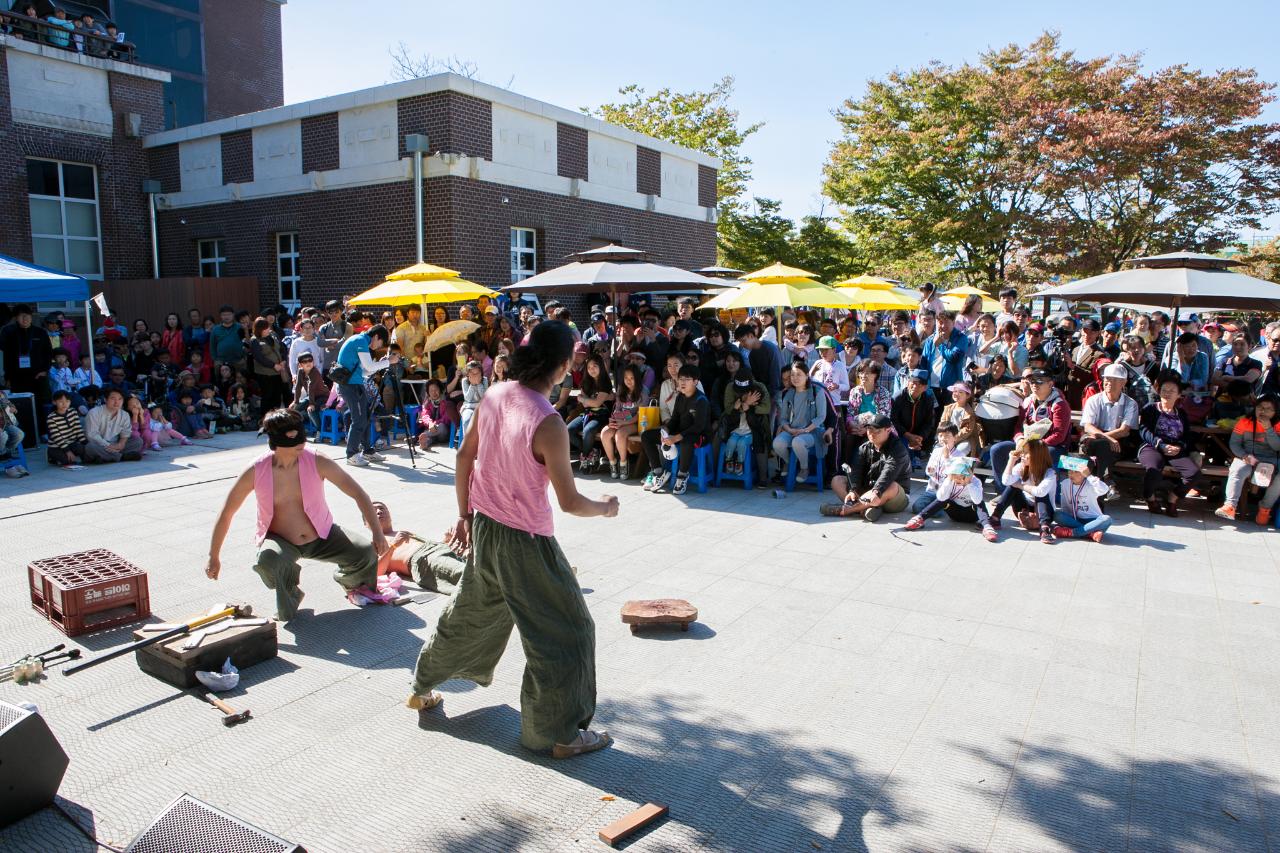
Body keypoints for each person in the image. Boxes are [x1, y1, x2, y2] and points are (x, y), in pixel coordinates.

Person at [408, 321, 618, 759]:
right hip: (527, 542)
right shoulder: (549, 421)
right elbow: (570, 502)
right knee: (566, 631)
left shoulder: (494, 393)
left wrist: (464, 515)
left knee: (471, 611)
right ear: (563, 366)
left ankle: (422, 686)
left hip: (484, 527)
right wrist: (604, 505)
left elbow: (464, 457)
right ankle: (555, 734)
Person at [205, 409, 385, 621]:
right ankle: (290, 592)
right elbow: (227, 512)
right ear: (276, 441)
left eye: (301, 433)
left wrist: (377, 532)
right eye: (292, 437)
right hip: (281, 541)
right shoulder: (256, 470)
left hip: (322, 535)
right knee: (269, 560)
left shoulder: (317, 460)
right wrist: (213, 555)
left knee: (364, 552)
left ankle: (354, 585)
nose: (301, 441)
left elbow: (358, 493)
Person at [825, 413, 911, 520]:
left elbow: (888, 473)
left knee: (892, 486)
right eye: (869, 429)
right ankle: (866, 508)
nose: (872, 434)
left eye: (877, 430)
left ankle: (847, 510)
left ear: (888, 430)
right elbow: (856, 470)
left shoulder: (898, 449)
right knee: (837, 480)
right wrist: (853, 489)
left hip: (892, 495)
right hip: (869, 491)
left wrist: (876, 491)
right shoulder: (864, 447)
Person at [1138, 372, 1200, 517]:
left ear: (1179, 395)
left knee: (1194, 473)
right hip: (1152, 446)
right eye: (1164, 390)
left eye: (1172, 391)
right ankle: (1150, 497)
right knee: (1154, 469)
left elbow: (1186, 435)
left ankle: (1172, 498)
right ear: (1159, 392)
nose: (1167, 393)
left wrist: (1180, 446)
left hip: (1174, 448)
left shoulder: (1182, 414)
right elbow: (1144, 430)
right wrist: (1160, 444)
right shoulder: (1150, 409)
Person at [988, 370, 1072, 477]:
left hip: (1052, 446)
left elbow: (1058, 436)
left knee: (1036, 456)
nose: (1034, 384)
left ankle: (1034, 491)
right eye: (1032, 381)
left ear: (1050, 384)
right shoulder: (1027, 402)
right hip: (1027, 443)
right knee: (997, 449)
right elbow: (1018, 426)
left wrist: (1033, 447)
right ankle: (1005, 489)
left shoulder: (1059, 405)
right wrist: (1020, 439)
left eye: (1039, 381)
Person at [641, 364, 709, 494]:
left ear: (696, 382)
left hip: (698, 435)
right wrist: (665, 430)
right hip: (679, 432)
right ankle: (658, 472)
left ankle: (682, 475)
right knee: (646, 436)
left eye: (687, 379)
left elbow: (698, 427)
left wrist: (676, 437)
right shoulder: (680, 397)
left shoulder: (701, 400)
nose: (682, 382)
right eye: (681, 379)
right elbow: (675, 420)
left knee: (686, 441)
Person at [369, 502, 464, 594]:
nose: (379, 511)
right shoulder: (374, 543)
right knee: (465, 572)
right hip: (424, 559)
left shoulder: (402, 532)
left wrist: (446, 541)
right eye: (373, 511)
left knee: (473, 566)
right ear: (367, 523)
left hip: (437, 551)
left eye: (382, 508)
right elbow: (375, 573)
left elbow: (424, 547)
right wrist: (394, 545)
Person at [334, 324, 394, 467]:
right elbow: (369, 367)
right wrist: (388, 362)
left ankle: (367, 450)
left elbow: (365, 372)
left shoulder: (360, 339)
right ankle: (351, 454)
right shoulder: (361, 341)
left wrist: (381, 363)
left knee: (365, 416)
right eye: (381, 343)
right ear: (376, 337)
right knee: (359, 419)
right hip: (350, 386)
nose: (379, 347)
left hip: (355, 384)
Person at [1215, 394, 1280, 525]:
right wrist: (1245, 456)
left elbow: (1277, 447)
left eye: (1268, 409)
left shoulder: (1278, 424)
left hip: (1272, 459)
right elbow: (1234, 443)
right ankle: (1230, 505)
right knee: (1237, 468)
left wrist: (1268, 428)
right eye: (1260, 407)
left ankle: (1265, 509)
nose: (1263, 411)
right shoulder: (1245, 421)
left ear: (1275, 412)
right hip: (1248, 457)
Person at [904, 456, 997, 541]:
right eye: (955, 476)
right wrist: (948, 480)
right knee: (944, 500)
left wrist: (969, 483)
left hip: (972, 514)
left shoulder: (975, 481)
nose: (958, 479)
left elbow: (977, 500)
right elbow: (941, 497)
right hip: (954, 513)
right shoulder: (950, 481)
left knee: (980, 503)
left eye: (962, 476)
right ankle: (920, 518)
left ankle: (987, 526)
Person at [990, 431, 1058, 543]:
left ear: (1036, 456)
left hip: (1044, 511)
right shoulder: (1022, 467)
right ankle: (995, 518)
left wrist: (1020, 485)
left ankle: (1044, 528)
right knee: (1013, 486)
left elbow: (1040, 492)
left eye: (1026, 452)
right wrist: (1011, 461)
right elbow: (1006, 481)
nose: (1022, 455)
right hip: (1024, 509)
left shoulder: (1050, 473)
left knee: (1040, 493)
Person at [1079, 363, 1139, 489]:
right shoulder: (1094, 400)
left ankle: (1101, 484)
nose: (1109, 382)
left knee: (1101, 446)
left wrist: (1103, 437)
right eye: (1107, 379)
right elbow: (1088, 426)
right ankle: (1105, 481)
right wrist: (1107, 438)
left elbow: (1124, 431)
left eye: (1115, 379)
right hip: (1096, 438)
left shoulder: (1130, 403)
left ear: (1123, 382)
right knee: (1102, 446)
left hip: (1116, 441)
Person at [773, 361, 827, 483]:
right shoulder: (788, 393)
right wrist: (789, 429)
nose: (795, 378)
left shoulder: (817, 391)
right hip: (792, 430)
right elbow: (783, 418)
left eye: (799, 374)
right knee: (777, 443)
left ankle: (804, 468)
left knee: (798, 442)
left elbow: (821, 417)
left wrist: (805, 430)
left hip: (812, 431)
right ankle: (788, 462)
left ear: (807, 375)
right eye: (793, 375)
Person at [1049, 456, 1113, 543]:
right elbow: (1065, 505)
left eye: (1076, 472)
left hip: (1092, 520)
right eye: (1069, 471)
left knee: (1106, 519)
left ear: (1085, 473)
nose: (1071, 474)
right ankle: (1090, 533)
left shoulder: (1091, 483)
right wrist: (1065, 520)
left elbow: (1104, 489)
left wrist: (1089, 476)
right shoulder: (1065, 483)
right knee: (1057, 515)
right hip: (1074, 519)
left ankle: (1072, 532)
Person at [567, 354, 613, 471]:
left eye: (595, 366)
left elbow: (596, 403)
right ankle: (591, 452)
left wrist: (584, 399)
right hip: (587, 414)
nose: (591, 370)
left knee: (588, 431)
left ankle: (586, 456)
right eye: (589, 367)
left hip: (601, 415)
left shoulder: (605, 383)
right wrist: (588, 401)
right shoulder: (586, 382)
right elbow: (586, 404)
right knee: (568, 430)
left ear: (601, 367)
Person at [600, 364, 643, 480]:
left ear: (637, 379)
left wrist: (623, 422)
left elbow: (639, 416)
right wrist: (614, 420)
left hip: (634, 423)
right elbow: (617, 409)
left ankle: (623, 463)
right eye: (626, 378)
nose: (628, 381)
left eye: (632, 378)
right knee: (605, 432)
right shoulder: (621, 390)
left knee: (620, 434)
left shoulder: (643, 393)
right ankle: (612, 461)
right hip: (621, 420)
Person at [912, 422, 965, 514]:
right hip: (932, 490)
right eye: (940, 436)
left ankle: (942, 507)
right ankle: (938, 507)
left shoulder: (960, 455)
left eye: (947, 436)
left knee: (936, 513)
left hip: (947, 493)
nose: (943, 438)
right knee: (917, 507)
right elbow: (929, 470)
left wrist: (946, 458)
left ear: (955, 437)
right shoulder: (936, 451)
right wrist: (930, 470)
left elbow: (956, 477)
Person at [84, 387, 144, 463]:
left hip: (116, 444)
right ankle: (121, 457)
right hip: (100, 444)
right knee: (90, 447)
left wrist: (121, 444)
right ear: (105, 400)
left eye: (120, 399)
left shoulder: (124, 415)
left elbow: (126, 433)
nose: (117, 402)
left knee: (138, 441)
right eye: (113, 399)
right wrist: (108, 445)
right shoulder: (94, 413)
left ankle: (106, 457)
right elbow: (92, 435)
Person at [891, 369, 937, 465]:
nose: (915, 386)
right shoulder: (897, 398)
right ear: (908, 383)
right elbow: (893, 421)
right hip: (901, 433)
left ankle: (916, 456)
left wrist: (919, 437)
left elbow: (929, 423)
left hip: (918, 435)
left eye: (920, 384)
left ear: (925, 387)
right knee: (901, 446)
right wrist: (907, 435)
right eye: (913, 382)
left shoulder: (928, 400)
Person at [735, 323, 784, 399]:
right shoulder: (751, 355)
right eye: (740, 342)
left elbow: (776, 375)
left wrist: (771, 397)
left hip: (777, 393)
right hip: (764, 394)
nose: (742, 344)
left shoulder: (771, 349)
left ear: (751, 336)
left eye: (743, 341)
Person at [46, 391, 87, 467]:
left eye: (67, 401)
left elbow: (78, 429)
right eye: (61, 402)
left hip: (71, 443)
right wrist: (67, 451)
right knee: (67, 461)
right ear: (54, 402)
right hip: (56, 446)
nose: (64, 404)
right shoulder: (51, 418)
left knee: (85, 452)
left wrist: (85, 444)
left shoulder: (73, 412)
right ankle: (51, 456)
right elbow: (57, 437)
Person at [939, 381, 979, 456]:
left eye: (960, 392)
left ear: (967, 396)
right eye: (955, 391)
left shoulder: (970, 412)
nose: (956, 394)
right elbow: (942, 423)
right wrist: (943, 436)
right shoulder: (948, 408)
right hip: (947, 437)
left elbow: (967, 431)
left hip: (964, 439)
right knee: (938, 450)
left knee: (960, 451)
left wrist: (953, 439)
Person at [416, 380, 455, 451]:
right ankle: (424, 444)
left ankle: (418, 437)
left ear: (440, 390)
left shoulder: (446, 402)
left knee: (442, 426)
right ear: (428, 393)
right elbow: (425, 415)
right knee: (430, 438)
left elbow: (446, 418)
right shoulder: (427, 403)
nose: (434, 392)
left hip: (443, 433)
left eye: (436, 389)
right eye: (431, 391)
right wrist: (430, 423)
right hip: (432, 430)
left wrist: (434, 424)